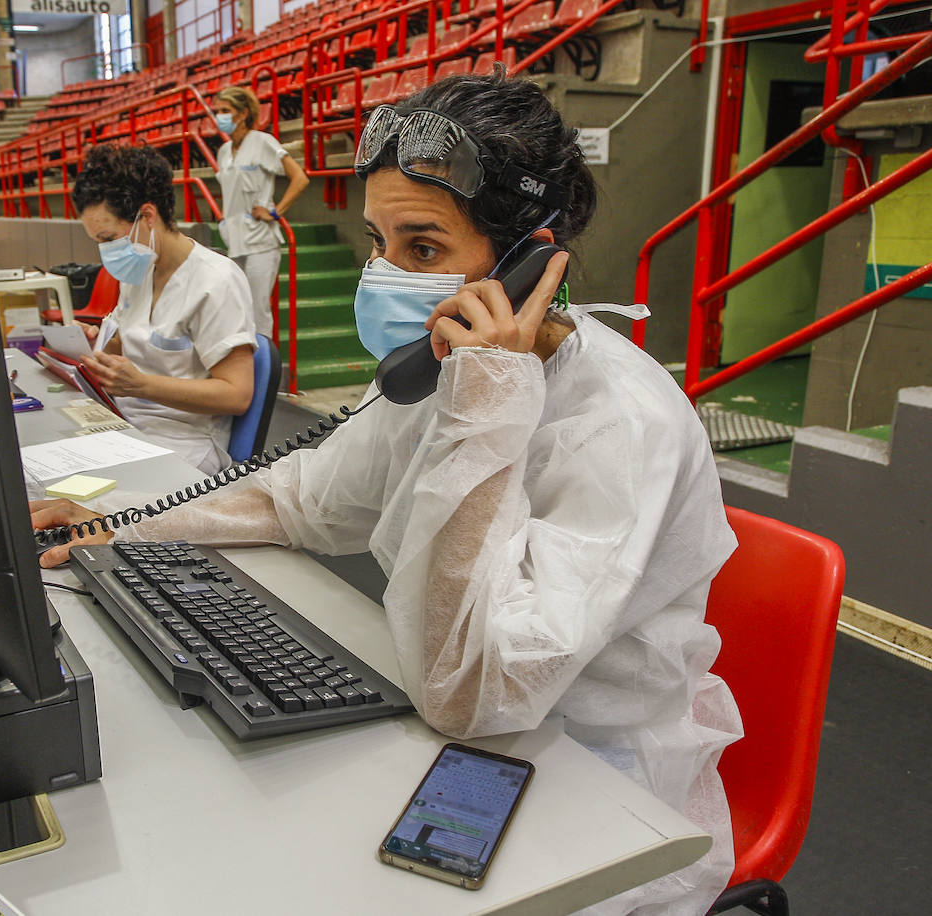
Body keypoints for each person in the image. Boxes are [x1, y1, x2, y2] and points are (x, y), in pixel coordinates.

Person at [38, 74, 742, 915]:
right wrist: (122, 526)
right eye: (378, 240)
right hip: (457, 715)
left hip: (594, 781)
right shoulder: (451, 365)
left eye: (424, 249)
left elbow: (470, 695)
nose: (385, 274)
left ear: (527, 262)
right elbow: (294, 500)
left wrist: (490, 408)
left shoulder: (619, 425)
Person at [71, 143, 257, 475]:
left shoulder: (215, 281)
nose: (104, 251)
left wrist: (141, 385)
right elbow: (125, 342)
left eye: (108, 238)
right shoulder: (139, 268)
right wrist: (96, 346)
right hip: (125, 423)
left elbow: (236, 394)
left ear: (146, 216)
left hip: (184, 442)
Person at [212, 86, 310, 338]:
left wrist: (276, 212)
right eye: (217, 111)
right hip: (233, 239)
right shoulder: (223, 152)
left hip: (260, 241)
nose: (219, 116)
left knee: (257, 310)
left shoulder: (262, 142)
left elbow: (299, 178)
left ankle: (263, 368)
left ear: (243, 113)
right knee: (234, 308)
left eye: (225, 111)